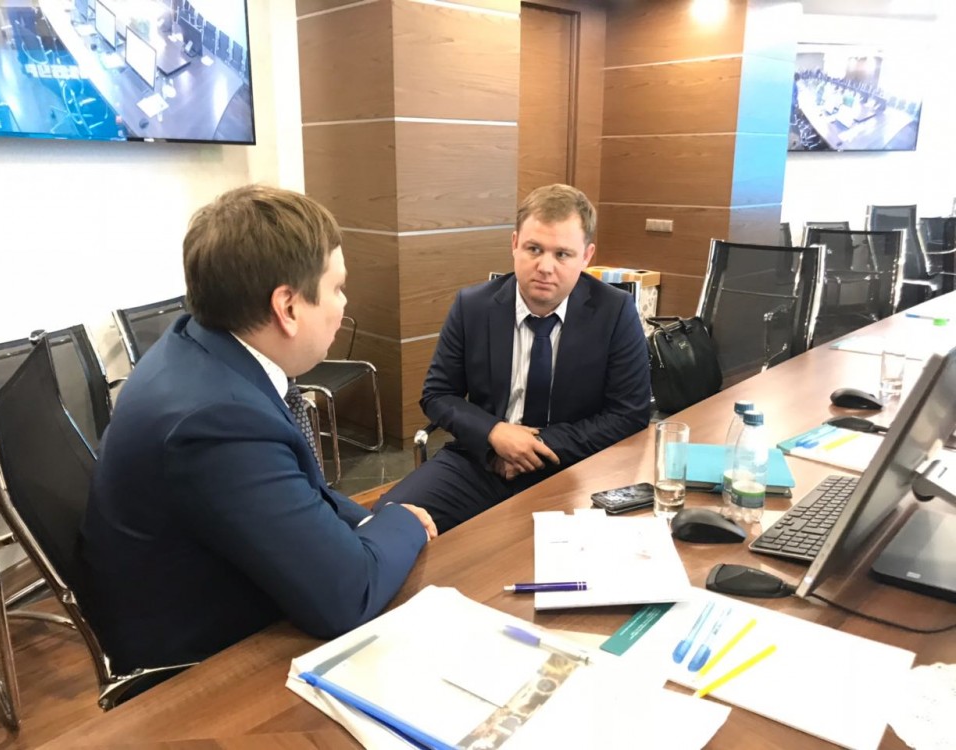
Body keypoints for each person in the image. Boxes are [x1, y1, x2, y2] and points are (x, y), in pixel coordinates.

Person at [81, 185, 436, 674]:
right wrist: (402, 520)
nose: (343, 304)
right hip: (205, 667)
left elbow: (301, 488)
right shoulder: (219, 422)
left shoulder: (198, 341)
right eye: (337, 288)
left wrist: (367, 523)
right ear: (287, 307)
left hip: (221, 581)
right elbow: (346, 595)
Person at [376, 184, 650, 533]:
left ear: (586, 256)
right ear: (515, 244)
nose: (545, 267)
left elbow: (629, 413)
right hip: (482, 459)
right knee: (388, 522)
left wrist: (533, 447)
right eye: (534, 249)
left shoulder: (615, 311)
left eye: (562, 254)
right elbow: (437, 394)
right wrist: (495, 435)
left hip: (575, 463)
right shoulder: (472, 306)